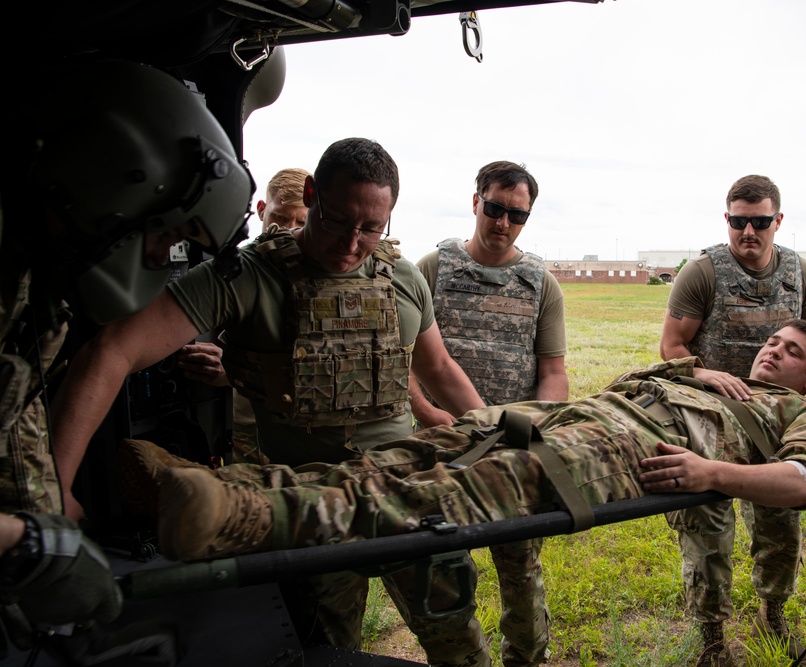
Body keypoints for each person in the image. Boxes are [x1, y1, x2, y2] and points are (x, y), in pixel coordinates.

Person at [50, 138, 491, 666]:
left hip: (404, 497)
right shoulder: (246, 277)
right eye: (337, 220)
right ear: (311, 195)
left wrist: (497, 429)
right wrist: (54, 486)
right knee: (324, 652)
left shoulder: (402, 275)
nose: (354, 243)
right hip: (307, 509)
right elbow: (112, 351)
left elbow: (438, 368)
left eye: (372, 228)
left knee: (462, 649)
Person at [119, 322, 806, 605]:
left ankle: (243, 517)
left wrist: (712, 474)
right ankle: (216, 483)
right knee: (402, 454)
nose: (771, 352)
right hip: (559, 420)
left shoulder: (802, 414)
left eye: (790, 353)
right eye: (773, 342)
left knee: (444, 496)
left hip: (612, 455)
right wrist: (696, 374)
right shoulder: (709, 373)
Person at [1, 58, 252, 643]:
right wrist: (28, 545)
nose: (162, 257)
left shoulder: (35, 286)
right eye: (165, 234)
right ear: (113, 178)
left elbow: (14, 419)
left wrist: (46, 507)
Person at [657, 175, 806, 665]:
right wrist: (707, 375)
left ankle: (772, 612)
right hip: (710, 419)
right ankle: (712, 637)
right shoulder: (703, 271)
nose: (747, 232)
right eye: (737, 221)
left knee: (781, 520)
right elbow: (671, 346)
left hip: (772, 419)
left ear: (777, 220)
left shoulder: (800, 273)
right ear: (726, 219)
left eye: (758, 222)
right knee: (707, 522)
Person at [409, 161, 567, 667]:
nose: (502, 223)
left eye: (516, 216)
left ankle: (528, 657)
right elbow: (405, 361)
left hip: (511, 445)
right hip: (443, 442)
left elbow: (552, 371)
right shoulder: (432, 268)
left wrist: (542, 431)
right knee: (442, 563)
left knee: (520, 566)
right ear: (476, 201)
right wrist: (430, 416)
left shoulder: (541, 283)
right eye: (495, 209)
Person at [176, 167, 311, 464]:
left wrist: (233, 373)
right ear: (262, 210)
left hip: (293, 431)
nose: (287, 230)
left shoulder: (315, 278)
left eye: (300, 222)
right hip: (240, 428)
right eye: (279, 217)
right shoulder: (233, 271)